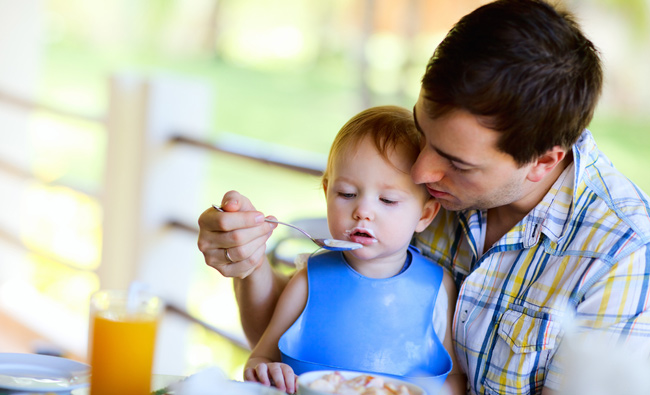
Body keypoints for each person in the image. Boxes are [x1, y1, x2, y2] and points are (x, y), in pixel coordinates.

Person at [196, 1, 650, 394]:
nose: (420, 171)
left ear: (544, 162)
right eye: (423, 131)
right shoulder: (418, 184)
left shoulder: (618, 257)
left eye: (456, 162)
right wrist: (247, 262)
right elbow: (301, 335)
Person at [241, 106, 465, 394]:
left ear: (424, 215)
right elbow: (260, 358)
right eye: (346, 194)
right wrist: (267, 369)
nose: (363, 211)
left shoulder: (437, 287)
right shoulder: (309, 280)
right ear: (327, 193)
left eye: (387, 199)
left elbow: (454, 379)